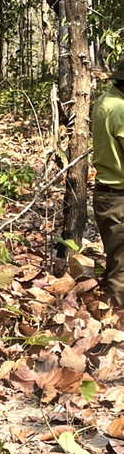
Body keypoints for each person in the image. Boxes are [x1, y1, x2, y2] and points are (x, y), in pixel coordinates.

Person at [93, 58, 124, 307]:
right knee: (122, 269)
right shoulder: (120, 110)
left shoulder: (106, 101)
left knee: (117, 260)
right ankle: (117, 329)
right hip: (118, 197)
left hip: (107, 194)